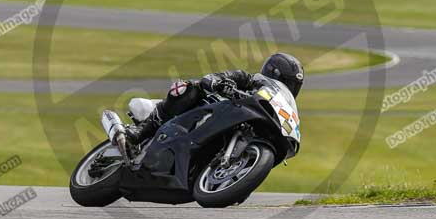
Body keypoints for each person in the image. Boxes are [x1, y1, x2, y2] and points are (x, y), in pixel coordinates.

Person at [125, 52, 304, 149]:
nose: (289, 87)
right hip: (207, 110)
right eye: (287, 82)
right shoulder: (247, 78)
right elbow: (215, 77)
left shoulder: (275, 103)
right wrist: (218, 82)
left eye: (292, 85)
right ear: (273, 73)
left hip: (226, 126)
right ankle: (143, 129)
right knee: (187, 88)